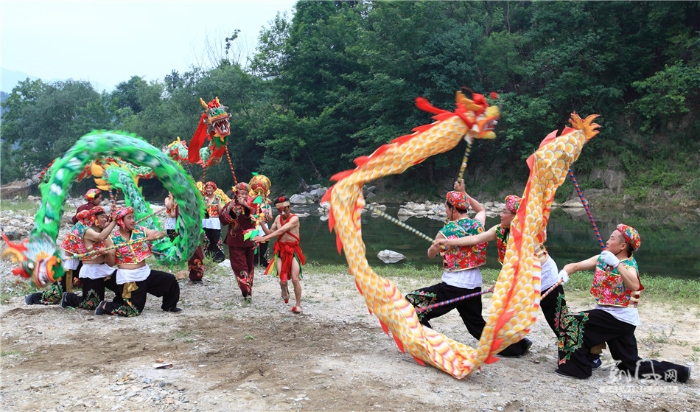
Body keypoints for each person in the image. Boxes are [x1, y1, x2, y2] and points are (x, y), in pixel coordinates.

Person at [554, 224, 690, 383]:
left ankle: (578, 368)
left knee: (571, 321)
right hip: (610, 317)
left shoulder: (628, 265)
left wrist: (617, 264)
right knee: (630, 366)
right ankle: (680, 372)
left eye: (611, 238)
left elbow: (634, 285)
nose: (607, 241)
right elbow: (576, 266)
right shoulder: (603, 258)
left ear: (623, 246)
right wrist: (564, 272)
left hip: (619, 318)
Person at [407, 191, 531, 357]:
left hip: (454, 285)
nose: (445, 210)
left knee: (412, 303)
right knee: (476, 325)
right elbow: (481, 210)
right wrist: (465, 193)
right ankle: (518, 346)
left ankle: (429, 343)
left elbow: (430, 254)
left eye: (446, 207)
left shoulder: (445, 231)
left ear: (453, 209)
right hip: (473, 284)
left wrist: (435, 247)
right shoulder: (477, 224)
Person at [433, 195, 566, 338]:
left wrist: (502, 283)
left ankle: (577, 348)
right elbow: (476, 238)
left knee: (557, 319)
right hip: (523, 280)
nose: (500, 214)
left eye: (504, 212)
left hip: (543, 276)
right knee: (505, 314)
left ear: (515, 216)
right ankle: (512, 343)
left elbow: (522, 266)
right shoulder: (500, 229)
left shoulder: (526, 234)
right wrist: (449, 242)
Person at [94, 207, 181, 316]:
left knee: (170, 280)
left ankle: (169, 306)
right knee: (134, 310)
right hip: (129, 277)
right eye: (129, 218)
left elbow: (160, 233)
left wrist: (154, 236)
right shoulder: (112, 238)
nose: (132, 220)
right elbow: (111, 263)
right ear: (121, 221)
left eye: (133, 217)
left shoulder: (140, 230)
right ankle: (105, 306)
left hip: (144, 272)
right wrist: (107, 253)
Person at [61, 207, 121, 310]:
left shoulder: (101, 230)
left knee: (122, 287)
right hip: (91, 270)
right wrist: (114, 222)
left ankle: (118, 301)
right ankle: (68, 298)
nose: (105, 219)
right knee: (92, 303)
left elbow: (105, 233)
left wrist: (112, 220)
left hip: (104, 268)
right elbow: (99, 237)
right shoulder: (87, 231)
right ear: (94, 218)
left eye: (105, 216)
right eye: (102, 216)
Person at [254, 196, 306, 314]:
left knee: (294, 279)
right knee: (282, 280)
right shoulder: (277, 218)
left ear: (289, 207)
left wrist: (264, 238)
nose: (282, 212)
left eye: (285, 209)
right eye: (279, 210)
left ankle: (298, 305)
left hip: (293, 251)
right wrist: (262, 223)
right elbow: (271, 232)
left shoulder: (294, 219)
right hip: (280, 251)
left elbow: (281, 231)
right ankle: (284, 290)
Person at [220, 182, 256, 302]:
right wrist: (229, 209)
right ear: (236, 193)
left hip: (250, 239)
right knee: (239, 265)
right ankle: (245, 289)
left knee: (250, 265)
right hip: (235, 240)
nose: (244, 195)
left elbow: (256, 216)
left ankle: (249, 288)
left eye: (246, 193)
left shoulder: (253, 204)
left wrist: (245, 205)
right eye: (241, 193)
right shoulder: (230, 204)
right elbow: (223, 220)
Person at [202, 181, 225, 262]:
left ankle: (218, 257)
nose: (208, 189)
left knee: (216, 237)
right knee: (207, 238)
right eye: (207, 188)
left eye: (210, 188)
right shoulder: (203, 198)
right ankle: (208, 256)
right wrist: (206, 203)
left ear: (213, 189)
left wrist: (218, 202)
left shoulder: (217, 197)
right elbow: (203, 211)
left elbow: (221, 211)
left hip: (215, 220)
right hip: (206, 220)